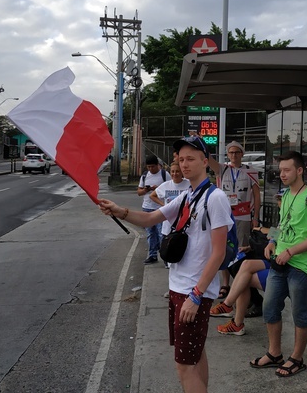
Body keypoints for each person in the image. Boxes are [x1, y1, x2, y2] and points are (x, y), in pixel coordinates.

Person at [99, 136, 232, 393]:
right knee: (195, 355)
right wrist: (118, 210)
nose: (184, 164)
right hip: (179, 287)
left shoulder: (215, 198)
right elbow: (150, 219)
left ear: (205, 161)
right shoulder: (186, 197)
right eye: (181, 159)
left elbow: (218, 253)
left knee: (184, 366)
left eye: (190, 159)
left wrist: (196, 295)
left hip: (193, 291)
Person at [250, 150, 307, 378]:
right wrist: (272, 240)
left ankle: (297, 358)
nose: (281, 174)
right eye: (280, 170)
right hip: (279, 262)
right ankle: (275, 353)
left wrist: (291, 251)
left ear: (299, 170)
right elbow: (283, 224)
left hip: (301, 267)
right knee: (270, 307)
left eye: (287, 170)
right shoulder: (286, 195)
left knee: (299, 313)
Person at [207, 140, 261, 299]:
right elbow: (209, 159)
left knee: (241, 249)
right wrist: (201, 141)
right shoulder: (222, 169)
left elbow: (257, 195)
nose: (234, 155)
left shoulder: (250, 171)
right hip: (224, 216)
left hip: (243, 215)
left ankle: (240, 282)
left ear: (242, 154)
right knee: (223, 249)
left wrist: (255, 217)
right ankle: (225, 283)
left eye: (237, 152)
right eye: (231, 152)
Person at [209, 227, 271, 336]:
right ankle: (233, 318)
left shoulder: (297, 213)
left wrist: (262, 229)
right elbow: (277, 233)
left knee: (243, 278)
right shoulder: (286, 212)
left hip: (283, 263)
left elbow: (280, 234)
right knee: (244, 265)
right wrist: (251, 247)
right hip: (272, 258)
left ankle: (229, 308)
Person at [151, 161, 191, 271]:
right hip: (168, 226)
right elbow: (152, 195)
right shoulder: (165, 185)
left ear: (182, 172)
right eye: (172, 171)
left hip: (185, 225)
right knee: (170, 256)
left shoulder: (189, 184)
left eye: (177, 171)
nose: (175, 174)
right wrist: (164, 206)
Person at [138, 154, 167, 264]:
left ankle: (165, 257)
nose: (151, 169)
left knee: (161, 234)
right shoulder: (145, 176)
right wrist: (146, 190)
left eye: (153, 167)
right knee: (150, 234)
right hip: (147, 207)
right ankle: (152, 255)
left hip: (160, 208)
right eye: (149, 167)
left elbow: (170, 188)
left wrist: (158, 189)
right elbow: (139, 192)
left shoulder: (165, 175)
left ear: (157, 165)